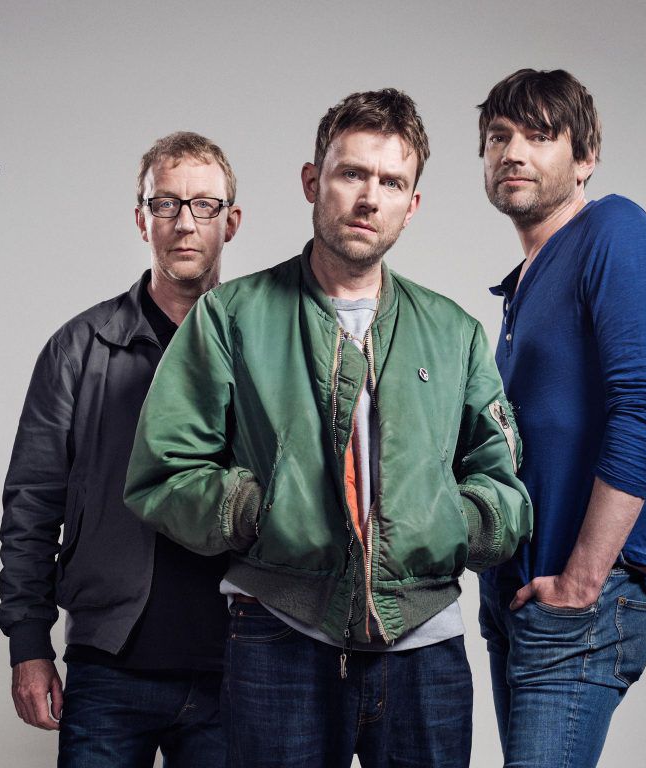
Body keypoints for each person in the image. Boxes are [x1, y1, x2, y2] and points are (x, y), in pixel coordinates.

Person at [125, 90, 531, 768]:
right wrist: (258, 511)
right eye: (352, 174)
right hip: (277, 636)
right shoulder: (231, 317)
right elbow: (162, 470)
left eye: (391, 182)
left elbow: (505, 486)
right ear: (313, 181)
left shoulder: (454, 333)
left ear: (412, 204)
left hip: (425, 645)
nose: (370, 198)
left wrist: (446, 521)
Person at [0, 131, 242, 767]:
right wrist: (29, 642)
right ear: (142, 219)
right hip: (109, 663)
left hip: (239, 663)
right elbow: (32, 503)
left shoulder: (263, 348)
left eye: (204, 205)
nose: (184, 223)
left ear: (231, 221)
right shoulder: (80, 348)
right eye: (166, 204)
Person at [476, 68, 646, 767]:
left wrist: (583, 581)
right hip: (520, 598)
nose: (512, 152)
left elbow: (644, 407)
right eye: (498, 136)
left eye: (539, 136)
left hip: (581, 602)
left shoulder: (613, 230)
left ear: (586, 156)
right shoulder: (522, 286)